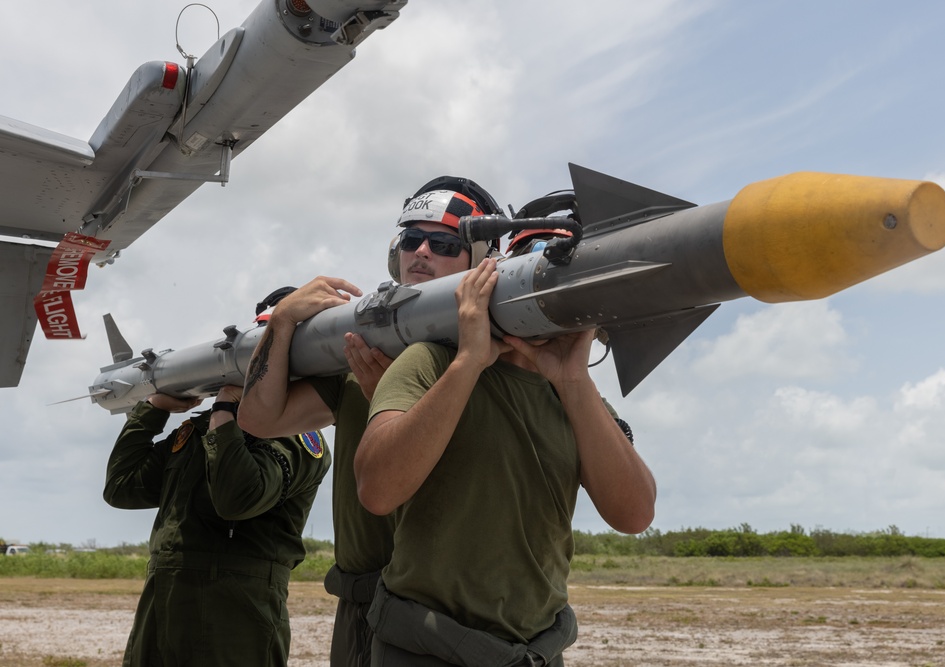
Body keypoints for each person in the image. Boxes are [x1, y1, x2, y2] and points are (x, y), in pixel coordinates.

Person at [237, 176, 504, 667]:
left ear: (482, 258)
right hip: (362, 607)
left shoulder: (499, 357)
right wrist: (282, 321)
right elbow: (258, 418)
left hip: (450, 619)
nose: (421, 251)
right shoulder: (361, 350)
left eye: (444, 244)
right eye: (410, 239)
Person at [353, 255, 657, 665]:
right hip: (426, 646)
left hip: (535, 650)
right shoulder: (430, 361)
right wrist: (469, 361)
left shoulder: (576, 395)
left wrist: (573, 380)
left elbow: (634, 514)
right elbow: (377, 490)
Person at [103, 291, 332, 667]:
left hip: (236, 613)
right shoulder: (198, 430)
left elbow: (237, 498)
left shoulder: (300, 438)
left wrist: (227, 409)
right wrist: (153, 410)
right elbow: (122, 487)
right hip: (163, 603)